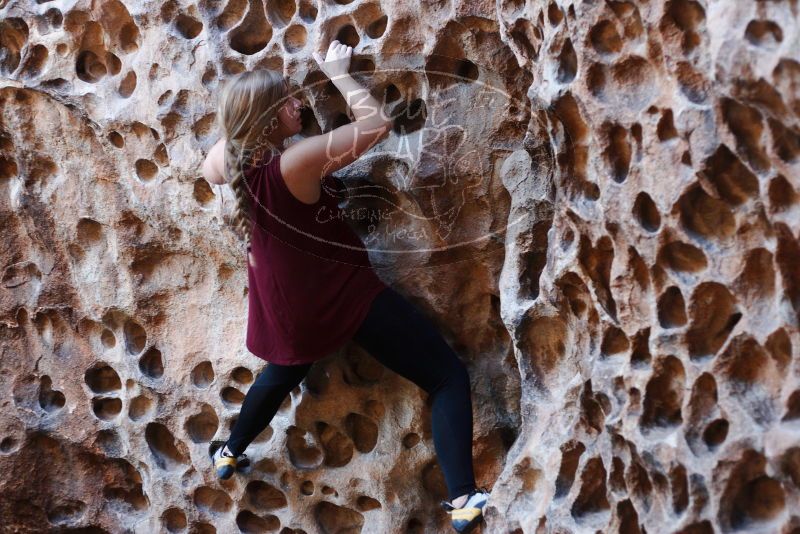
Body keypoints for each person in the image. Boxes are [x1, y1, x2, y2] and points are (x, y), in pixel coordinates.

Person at [200, 39, 489, 533]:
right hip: (341, 295)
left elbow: (219, 150)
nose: (299, 104)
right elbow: (376, 127)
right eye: (288, 100)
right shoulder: (294, 163)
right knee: (445, 377)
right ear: (268, 118)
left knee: (286, 369)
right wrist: (339, 72)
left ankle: (229, 452)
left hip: (289, 304)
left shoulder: (232, 165)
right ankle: (463, 498)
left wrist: (251, 121)